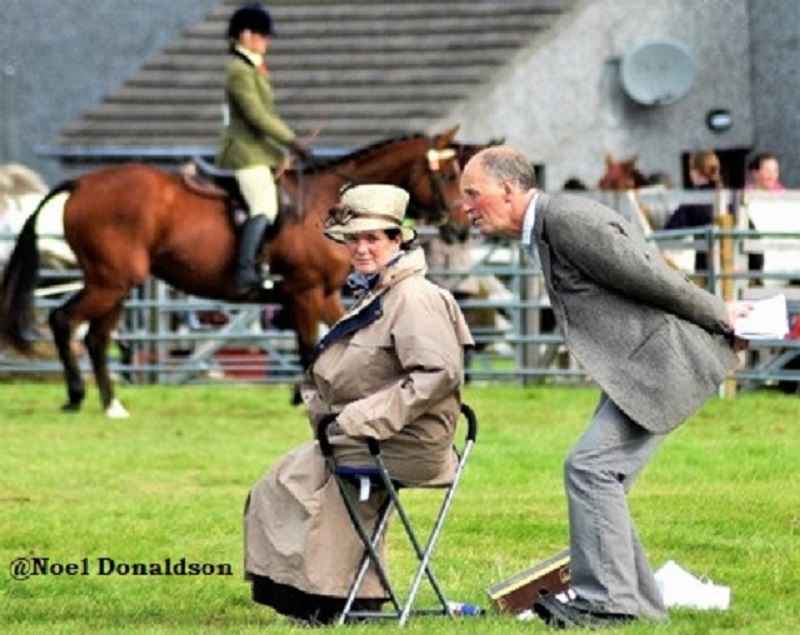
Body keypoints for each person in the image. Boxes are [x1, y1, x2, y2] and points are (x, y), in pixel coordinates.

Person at [459, 146, 752, 630]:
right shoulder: (551, 226)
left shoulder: (568, 221)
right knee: (601, 478)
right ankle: (640, 605)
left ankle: (608, 604)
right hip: (637, 370)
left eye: (473, 193)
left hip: (659, 367)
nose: (466, 205)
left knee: (590, 469)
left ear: (508, 190)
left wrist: (719, 314)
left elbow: (649, 275)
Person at [243, 183, 474, 625]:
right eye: (354, 239)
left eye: (373, 238)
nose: (362, 248)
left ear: (396, 240)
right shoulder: (379, 292)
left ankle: (339, 600)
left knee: (300, 482)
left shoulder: (414, 297)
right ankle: (326, 598)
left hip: (404, 440)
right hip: (369, 434)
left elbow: (438, 374)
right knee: (281, 481)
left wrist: (362, 419)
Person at [216, 2, 309, 295]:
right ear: (245, 36)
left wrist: (282, 153)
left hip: (260, 151)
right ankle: (244, 273)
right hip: (244, 153)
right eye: (261, 36)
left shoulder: (254, 69)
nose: (265, 42)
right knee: (264, 206)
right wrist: (291, 140)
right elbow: (256, 115)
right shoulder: (239, 71)